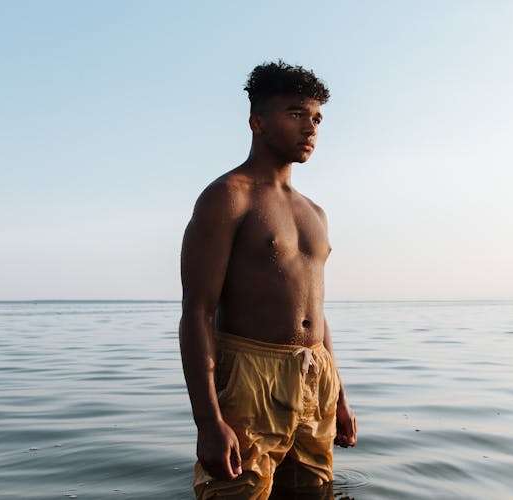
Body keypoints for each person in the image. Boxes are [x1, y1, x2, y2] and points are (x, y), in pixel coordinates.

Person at [178, 60, 357, 499]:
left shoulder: (314, 212)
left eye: (316, 118)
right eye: (296, 114)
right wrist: (209, 422)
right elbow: (197, 312)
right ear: (257, 122)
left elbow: (317, 311)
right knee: (236, 492)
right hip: (251, 377)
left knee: (315, 493)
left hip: (317, 377)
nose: (310, 128)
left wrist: (339, 397)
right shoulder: (228, 197)